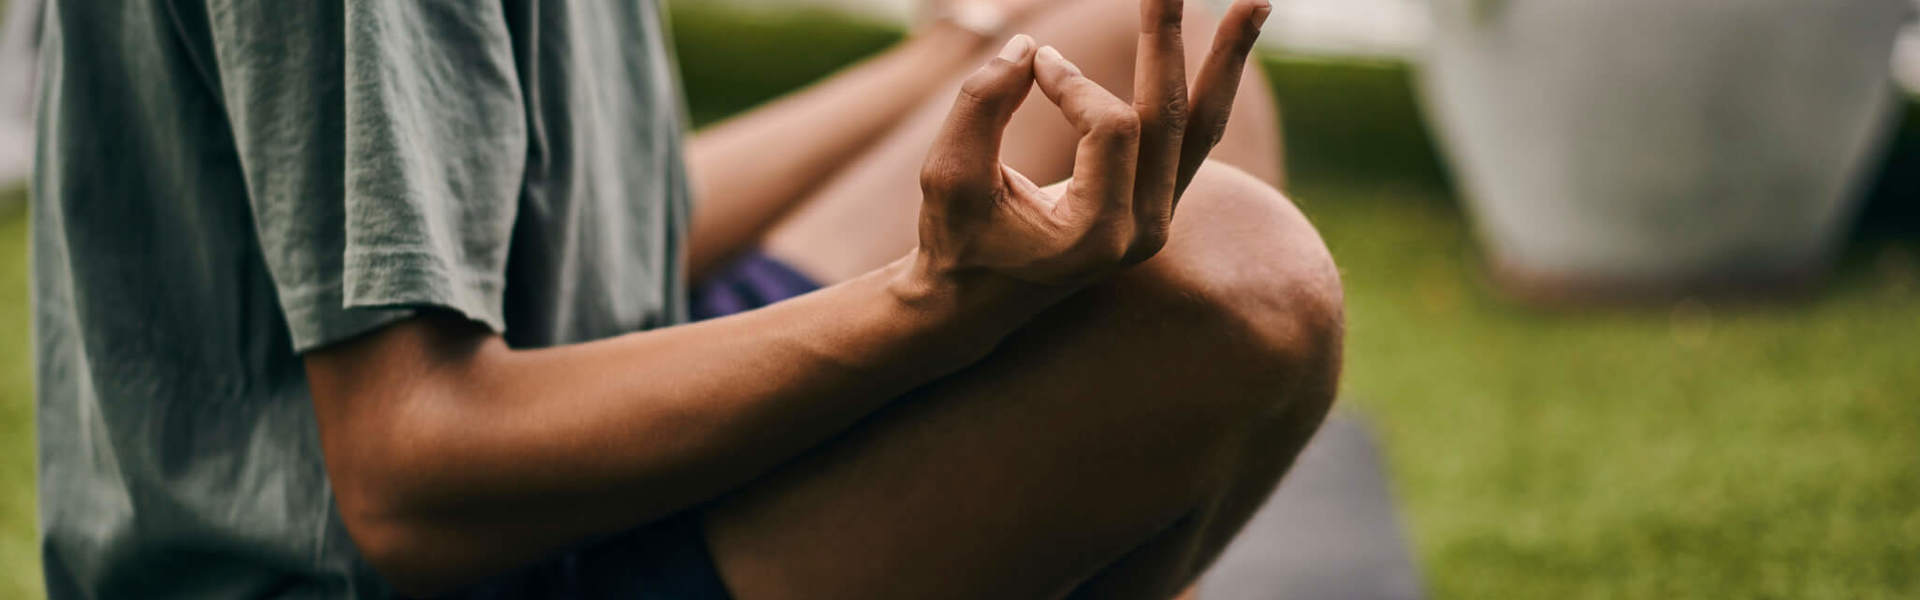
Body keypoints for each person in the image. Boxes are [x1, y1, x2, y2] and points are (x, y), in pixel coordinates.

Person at [31, 0, 1342, 597]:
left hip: (584, 413)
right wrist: (930, 309)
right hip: (421, 554)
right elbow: (405, 483)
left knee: (1123, 50)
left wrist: (973, 50)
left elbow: (584, 217)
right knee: (1241, 283)